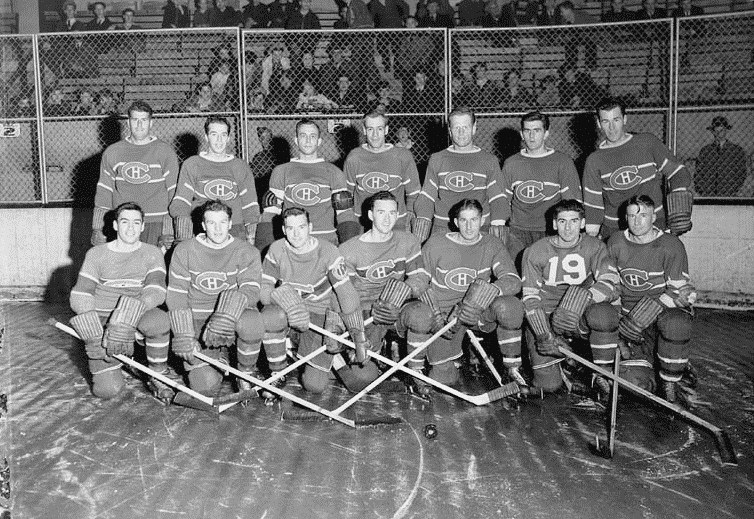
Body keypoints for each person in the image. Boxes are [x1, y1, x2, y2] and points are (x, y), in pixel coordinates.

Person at [259, 207, 370, 395]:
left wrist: (357, 333)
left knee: (315, 385)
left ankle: (329, 357)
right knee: (270, 315)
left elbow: (346, 294)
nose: (296, 234)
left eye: (301, 227)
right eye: (290, 228)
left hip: (319, 313)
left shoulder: (327, 251)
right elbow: (263, 290)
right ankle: (277, 372)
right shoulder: (277, 249)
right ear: (284, 230)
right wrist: (284, 300)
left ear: (310, 227)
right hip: (289, 311)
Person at [69, 202, 171, 400]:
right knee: (107, 391)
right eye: (125, 222)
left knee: (159, 321)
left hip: (136, 313)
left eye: (136, 223)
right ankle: (127, 360)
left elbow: (157, 290)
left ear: (143, 226)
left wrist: (128, 314)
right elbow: (80, 293)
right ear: (115, 225)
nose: (130, 228)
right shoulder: (97, 254)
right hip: (102, 318)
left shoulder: (152, 252)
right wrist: (93, 330)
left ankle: (157, 374)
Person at [420, 198, 523, 388]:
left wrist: (485, 294)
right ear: (455, 222)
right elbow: (419, 282)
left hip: (477, 313)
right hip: (446, 317)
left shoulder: (492, 243)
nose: (469, 227)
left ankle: (512, 370)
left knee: (510, 306)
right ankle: (449, 357)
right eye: (464, 220)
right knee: (444, 380)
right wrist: (435, 315)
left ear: (482, 220)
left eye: (474, 220)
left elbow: (513, 280)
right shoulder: (436, 243)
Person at [167, 200, 264, 396]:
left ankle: (245, 372)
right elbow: (176, 294)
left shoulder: (246, 250)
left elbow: (251, 290)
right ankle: (221, 360)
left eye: (223, 222)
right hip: (198, 319)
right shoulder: (185, 250)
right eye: (211, 223)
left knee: (253, 321)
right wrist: (183, 331)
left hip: (233, 317)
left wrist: (227, 312)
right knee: (204, 387)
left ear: (230, 223)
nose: (218, 229)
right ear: (203, 225)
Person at [521, 199, 619, 393]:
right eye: (562, 221)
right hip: (547, 317)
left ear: (582, 223)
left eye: (574, 221)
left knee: (603, 314)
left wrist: (581, 301)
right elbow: (530, 298)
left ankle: (600, 370)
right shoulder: (536, 251)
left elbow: (610, 282)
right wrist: (542, 334)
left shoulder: (595, 246)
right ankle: (567, 357)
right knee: (548, 386)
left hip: (579, 316)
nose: (568, 228)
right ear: (554, 224)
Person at [338, 191, 432, 391]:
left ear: (398, 214)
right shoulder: (349, 249)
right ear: (370, 215)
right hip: (366, 313)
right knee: (364, 376)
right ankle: (368, 353)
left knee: (421, 314)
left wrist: (405, 291)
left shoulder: (408, 241)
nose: (387, 218)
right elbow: (346, 294)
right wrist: (361, 322)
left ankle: (416, 371)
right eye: (381, 212)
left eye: (392, 213)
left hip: (396, 306)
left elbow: (421, 277)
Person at [607, 195, 696, 404]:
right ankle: (652, 362)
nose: (637, 222)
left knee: (677, 323)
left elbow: (678, 291)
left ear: (654, 217)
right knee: (636, 387)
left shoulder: (671, 245)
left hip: (662, 314)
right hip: (629, 323)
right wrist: (618, 325)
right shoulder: (616, 241)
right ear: (625, 218)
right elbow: (608, 284)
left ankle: (670, 380)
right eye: (631, 216)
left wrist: (644, 315)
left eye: (643, 216)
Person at [582, 98, 692, 239]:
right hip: (616, 229)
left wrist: (678, 195)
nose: (611, 127)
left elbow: (679, 173)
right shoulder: (594, 160)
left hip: (653, 222)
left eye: (616, 120)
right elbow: (593, 205)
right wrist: (592, 236)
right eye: (605, 121)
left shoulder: (647, 143)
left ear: (625, 119)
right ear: (598, 124)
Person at [257, 119, 360, 251]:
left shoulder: (333, 172)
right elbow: (270, 213)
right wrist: (263, 250)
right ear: (296, 140)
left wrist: (350, 251)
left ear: (319, 141)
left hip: (326, 242)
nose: (308, 140)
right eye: (303, 136)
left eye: (312, 136)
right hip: (293, 243)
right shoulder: (281, 171)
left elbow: (344, 214)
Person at [498, 111, 582, 266]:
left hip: (549, 230)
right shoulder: (511, 163)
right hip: (518, 231)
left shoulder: (562, 162)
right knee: (518, 274)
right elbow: (502, 202)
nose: (531, 136)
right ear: (521, 134)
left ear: (546, 133)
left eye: (536, 130)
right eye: (527, 131)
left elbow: (573, 204)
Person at [92, 100, 179, 248]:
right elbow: (104, 193)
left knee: (154, 269)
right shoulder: (113, 152)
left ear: (151, 123)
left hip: (155, 223)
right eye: (135, 120)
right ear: (128, 122)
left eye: (144, 120)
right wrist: (98, 227)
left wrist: (170, 227)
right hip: (124, 223)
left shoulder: (165, 152)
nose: (139, 125)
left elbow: (174, 194)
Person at [414, 107, 505, 242]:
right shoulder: (437, 159)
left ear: (474, 128)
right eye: (456, 128)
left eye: (465, 127)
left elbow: (498, 199)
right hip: (444, 226)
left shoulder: (489, 160)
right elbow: (426, 197)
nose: (461, 133)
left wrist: (498, 226)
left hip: (477, 227)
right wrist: (422, 222)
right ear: (450, 131)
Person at [170, 116, 259, 246]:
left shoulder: (240, 166)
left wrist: (251, 238)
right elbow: (180, 202)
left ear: (228, 138)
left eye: (223, 135)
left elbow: (250, 206)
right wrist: (184, 236)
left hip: (234, 226)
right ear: (206, 137)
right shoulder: (192, 164)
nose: (219, 140)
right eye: (214, 134)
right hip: (204, 227)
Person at [343, 110, 421, 233]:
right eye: (370, 129)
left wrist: (407, 218)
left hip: (395, 224)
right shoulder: (354, 157)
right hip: (363, 225)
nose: (375, 135)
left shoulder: (402, 156)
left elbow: (414, 192)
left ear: (386, 130)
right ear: (364, 130)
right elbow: (346, 194)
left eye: (379, 129)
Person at [695, 116, 747, 197]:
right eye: (716, 131)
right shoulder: (705, 151)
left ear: (726, 130)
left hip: (729, 192)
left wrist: (734, 189)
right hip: (709, 193)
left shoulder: (736, 150)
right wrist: (702, 190)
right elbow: (698, 172)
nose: (719, 134)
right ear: (712, 132)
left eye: (721, 130)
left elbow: (742, 172)